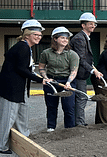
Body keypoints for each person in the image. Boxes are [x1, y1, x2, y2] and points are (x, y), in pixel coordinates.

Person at [0, 19, 49, 154]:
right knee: (8, 117)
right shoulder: (22, 47)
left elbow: (26, 69)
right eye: (36, 35)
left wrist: (41, 78)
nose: (39, 37)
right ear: (27, 35)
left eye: (40, 35)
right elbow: (22, 69)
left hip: (19, 88)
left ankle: (24, 139)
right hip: (11, 88)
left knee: (21, 114)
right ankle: (2, 146)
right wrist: (40, 80)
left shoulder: (26, 47)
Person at [39, 27, 79, 132]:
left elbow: (74, 71)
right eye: (62, 38)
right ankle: (51, 127)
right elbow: (41, 67)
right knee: (51, 106)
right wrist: (46, 78)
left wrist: (68, 83)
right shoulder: (46, 53)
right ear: (55, 39)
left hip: (67, 81)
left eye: (67, 38)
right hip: (51, 82)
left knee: (68, 107)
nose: (65, 40)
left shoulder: (73, 55)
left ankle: (69, 129)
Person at [70, 12, 103, 126]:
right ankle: (79, 124)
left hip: (81, 74)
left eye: (94, 24)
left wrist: (94, 68)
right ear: (83, 25)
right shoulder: (80, 38)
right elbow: (80, 59)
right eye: (90, 24)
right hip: (79, 74)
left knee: (80, 98)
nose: (93, 26)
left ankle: (79, 122)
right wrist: (93, 70)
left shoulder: (84, 38)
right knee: (81, 98)